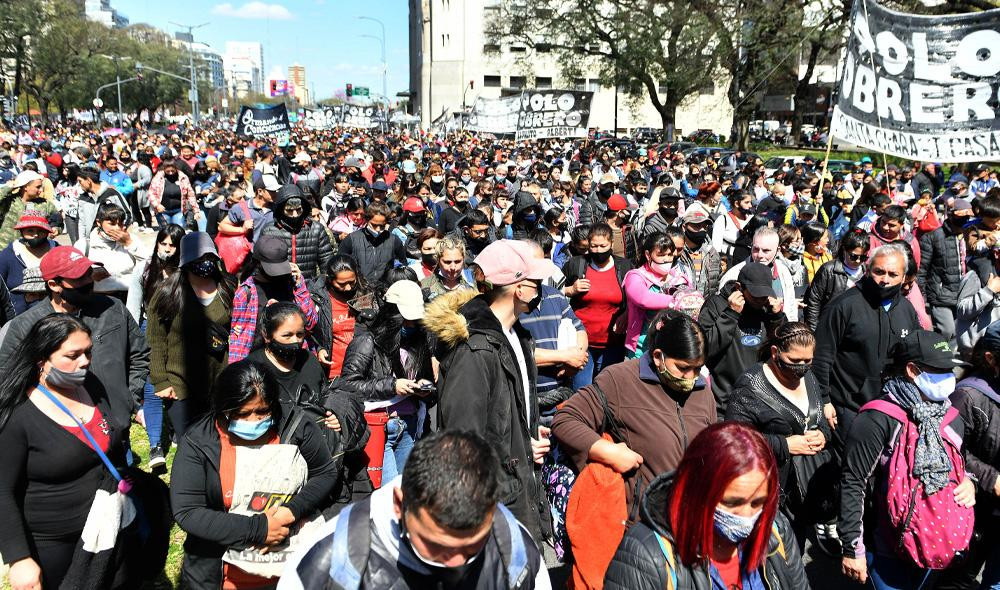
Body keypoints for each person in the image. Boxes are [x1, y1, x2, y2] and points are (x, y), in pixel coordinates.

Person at [280, 430, 549, 590]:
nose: (456, 566)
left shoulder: (514, 548)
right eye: (436, 546)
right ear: (400, 504)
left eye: (471, 548)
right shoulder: (328, 565)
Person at [424, 239, 557, 543]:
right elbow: (462, 442)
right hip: (494, 503)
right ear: (518, 288)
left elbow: (507, 415)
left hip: (519, 488)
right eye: (537, 282)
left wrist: (525, 440)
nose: (543, 289)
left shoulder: (519, 337)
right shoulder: (474, 351)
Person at [170, 360, 338, 589]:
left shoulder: (296, 426)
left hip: (290, 574)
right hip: (219, 577)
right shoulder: (199, 441)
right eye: (242, 414)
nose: (254, 421)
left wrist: (291, 511)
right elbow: (188, 511)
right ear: (224, 409)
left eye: (262, 411)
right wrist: (260, 530)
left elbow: (324, 472)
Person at [0, 314, 137, 589]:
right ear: (42, 361)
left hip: (108, 526)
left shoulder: (90, 384)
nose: (85, 361)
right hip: (56, 544)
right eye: (73, 355)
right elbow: (2, 491)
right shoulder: (17, 417)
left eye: (88, 352)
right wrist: (19, 559)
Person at [838, 330, 974, 589]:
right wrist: (852, 548)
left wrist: (969, 484)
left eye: (951, 370)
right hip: (886, 549)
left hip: (936, 541)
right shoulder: (877, 419)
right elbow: (853, 482)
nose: (949, 378)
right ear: (912, 370)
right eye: (941, 370)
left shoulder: (951, 416)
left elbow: (961, 467)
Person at [603, 422, 808, 590]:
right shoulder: (647, 554)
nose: (747, 516)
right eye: (731, 502)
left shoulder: (775, 529)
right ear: (698, 490)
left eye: (758, 502)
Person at [553, 310, 715, 517]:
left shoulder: (703, 391)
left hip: (691, 521)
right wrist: (607, 452)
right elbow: (566, 419)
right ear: (658, 357)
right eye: (683, 368)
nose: (691, 378)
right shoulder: (619, 380)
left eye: (697, 368)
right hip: (641, 526)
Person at [0, 246, 149, 430]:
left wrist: (128, 398)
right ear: (54, 285)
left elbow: (139, 355)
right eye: (78, 278)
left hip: (115, 425)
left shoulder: (113, 308)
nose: (88, 281)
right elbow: (8, 380)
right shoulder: (26, 326)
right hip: (59, 436)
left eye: (88, 273)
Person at [725, 322, 831, 547]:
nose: (801, 367)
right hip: (767, 493)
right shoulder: (750, 388)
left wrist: (822, 434)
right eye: (794, 361)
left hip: (802, 494)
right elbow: (735, 442)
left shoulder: (809, 379)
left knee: (794, 554)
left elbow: (819, 416)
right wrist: (784, 444)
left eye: (807, 362)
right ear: (775, 353)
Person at [814, 243, 922, 446]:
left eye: (893, 274)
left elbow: (915, 354)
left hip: (892, 406)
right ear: (868, 269)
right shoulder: (844, 305)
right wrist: (824, 400)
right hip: (848, 407)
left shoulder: (907, 310)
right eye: (879, 272)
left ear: (904, 277)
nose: (885, 280)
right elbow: (821, 356)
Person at [341, 279, 434, 483]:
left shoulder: (418, 342)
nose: (410, 326)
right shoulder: (366, 342)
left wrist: (424, 390)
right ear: (392, 315)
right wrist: (392, 386)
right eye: (406, 320)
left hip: (410, 425)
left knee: (407, 493)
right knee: (388, 495)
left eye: (415, 321)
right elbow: (347, 385)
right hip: (379, 427)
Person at [147, 232, 234, 438]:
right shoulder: (168, 292)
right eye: (200, 259)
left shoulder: (227, 286)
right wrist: (161, 381)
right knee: (191, 442)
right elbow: (156, 339)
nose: (206, 263)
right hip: (180, 384)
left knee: (218, 439)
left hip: (219, 380)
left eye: (210, 258)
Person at [938, 324, 1000, 589]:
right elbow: (948, 448)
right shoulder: (968, 396)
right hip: (976, 507)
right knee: (959, 577)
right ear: (990, 358)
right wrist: (990, 477)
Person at [699, 262, 787, 418]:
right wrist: (730, 315)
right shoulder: (717, 305)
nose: (760, 300)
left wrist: (777, 318)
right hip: (724, 401)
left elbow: (785, 348)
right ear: (739, 287)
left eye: (763, 295)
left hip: (762, 401)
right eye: (755, 295)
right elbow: (705, 349)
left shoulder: (768, 308)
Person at [562, 223, 633, 388]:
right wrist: (570, 290)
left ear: (611, 245)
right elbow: (552, 292)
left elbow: (635, 298)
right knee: (581, 391)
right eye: (594, 246)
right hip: (581, 344)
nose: (599, 250)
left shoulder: (624, 267)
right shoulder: (576, 264)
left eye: (603, 246)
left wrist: (627, 314)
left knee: (607, 392)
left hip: (613, 344)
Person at [229, 234, 318, 363]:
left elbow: (310, 323)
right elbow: (239, 340)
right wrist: (236, 370)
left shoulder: (293, 284)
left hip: (294, 359)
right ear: (258, 264)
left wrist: (300, 287)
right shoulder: (245, 293)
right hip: (261, 362)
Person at [623, 230, 695, 358]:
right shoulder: (636, 276)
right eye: (661, 255)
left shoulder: (680, 277)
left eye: (669, 255)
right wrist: (677, 301)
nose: (666, 259)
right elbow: (643, 298)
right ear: (648, 255)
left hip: (671, 347)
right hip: (641, 348)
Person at [246, 302, 325, 407]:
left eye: (300, 334)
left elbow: (325, 396)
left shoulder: (309, 360)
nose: (295, 341)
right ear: (266, 336)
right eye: (287, 335)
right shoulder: (251, 369)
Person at [917, 198, 973, 343]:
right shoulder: (933, 237)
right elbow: (922, 269)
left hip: (967, 295)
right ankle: (937, 359)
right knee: (947, 331)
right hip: (941, 295)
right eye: (962, 216)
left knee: (961, 334)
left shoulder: (973, 236)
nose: (966, 220)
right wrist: (921, 297)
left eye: (968, 217)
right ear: (951, 215)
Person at [718, 226, 798, 321]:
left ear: (778, 250)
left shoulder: (783, 272)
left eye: (766, 251)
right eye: (756, 249)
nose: (760, 255)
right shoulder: (734, 274)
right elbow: (721, 311)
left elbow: (791, 310)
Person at [259, 184, 335, 281]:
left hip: (309, 288)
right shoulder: (269, 231)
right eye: (290, 211)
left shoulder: (316, 229)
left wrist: (320, 286)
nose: (295, 215)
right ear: (281, 209)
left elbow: (327, 261)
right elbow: (262, 263)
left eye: (298, 210)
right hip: (278, 287)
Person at [309, 255, 365, 379]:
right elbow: (309, 332)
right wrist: (319, 349)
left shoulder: (365, 295)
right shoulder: (318, 300)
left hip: (361, 371)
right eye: (342, 284)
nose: (348, 288)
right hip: (333, 373)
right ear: (330, 279)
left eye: (352, 282)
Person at [75, 201, 147, 296]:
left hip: (129, 296)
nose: (117, 228)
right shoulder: (85, 245)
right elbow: (73, 275)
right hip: (100, 299)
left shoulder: (131, 239)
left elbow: (149, 263)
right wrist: (90, 276)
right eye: (112, 224)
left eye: (120, 224)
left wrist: (129, 243)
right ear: (99, 223)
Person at [804, 229, 869, 331]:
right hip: (829, 327)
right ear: (844, 250)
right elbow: (814, 301)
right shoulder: (828, 270)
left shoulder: (868, 272)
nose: (858, 261)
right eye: (853, 256)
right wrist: (813, 330)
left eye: (863, 257)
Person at [0, 210, 57, 314]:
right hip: (17, 316)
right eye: (30, 231)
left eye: (40, 231)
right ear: (22, 232)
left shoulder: (58, 250)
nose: (35, 235)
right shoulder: (9, 255)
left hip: (53, 314)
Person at [338, 201, 407, 284]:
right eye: (374, 225)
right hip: (360, 290)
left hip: (386, 289)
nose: (378, 229)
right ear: (367, 220)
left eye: (382, 226)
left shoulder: (394, 240)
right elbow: (340, 265)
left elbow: (402, 264)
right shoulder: (351, 239)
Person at [0, 169, 56, 251]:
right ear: (25, 186)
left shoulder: (45, 204)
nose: (40, 190)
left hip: (34, 251)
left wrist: (56, 228)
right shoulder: (9, 201)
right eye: (37, 187)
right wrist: (9, 187)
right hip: (6, 249)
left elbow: (57, 219)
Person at [676, 203, 723, 297]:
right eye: (697, 226)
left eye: (705, 226)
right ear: (684, 227)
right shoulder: (676, 252)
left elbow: (717, 282)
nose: (702, 230)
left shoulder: (712, 253)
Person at [420, 235, 476, 300]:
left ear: (463, 259)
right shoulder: (425, 285)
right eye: (447, 262)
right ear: (438, 260)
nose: (453, 267)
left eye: (457, 261)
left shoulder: (474, 281)